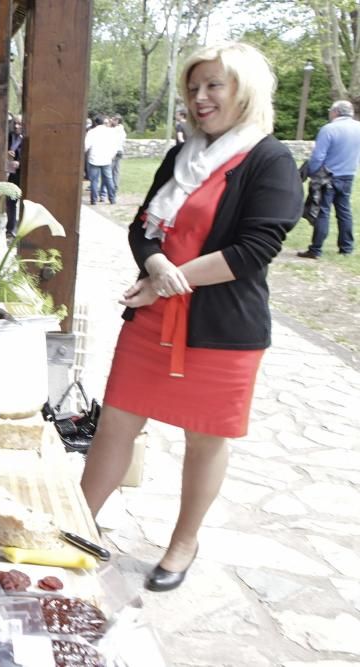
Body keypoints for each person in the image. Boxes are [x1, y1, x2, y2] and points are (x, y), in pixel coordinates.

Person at [79, 42, 301, 593]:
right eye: (194, 87)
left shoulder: (269, 159)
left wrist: (165, 283)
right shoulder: (182, 155)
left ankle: (183, 542)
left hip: (223, 330)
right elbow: (141, 228)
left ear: (244, 91)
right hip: (153, 321)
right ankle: (77, 523)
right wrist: (155, 264)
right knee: (115, 425)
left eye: (214, 86)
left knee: (205, 439)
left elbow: (255, 248)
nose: (200, 98)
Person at [298, 99, 360, 259]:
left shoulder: (329, 129)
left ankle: (316, 249)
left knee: (322, 211)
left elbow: (318, 156)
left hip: (328, 176)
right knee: (344, 211)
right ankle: (346, 247)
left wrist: (310, 172)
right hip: (348, 174)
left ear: (335, 112)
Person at [84, 115, 117, 204]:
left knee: (94, 181)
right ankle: (112, 198)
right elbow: (114, 146)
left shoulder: (92, 132)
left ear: (95, 122)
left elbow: (86, 146)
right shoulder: (110, 132)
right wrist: (111, 156)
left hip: (94, 159)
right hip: (106, 159)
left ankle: (94, 200)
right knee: (109, 179)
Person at [6, 115, 24, 235]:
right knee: (11, 201)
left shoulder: (27, 138)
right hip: (12, 174)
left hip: (24, 175)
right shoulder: (9, 136)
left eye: (19, 124)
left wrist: (20, 162)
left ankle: (21, 228)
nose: (17, 126)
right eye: (15, 123)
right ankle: (10, 228)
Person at [109, 114, 126, 198]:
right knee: (116, 171)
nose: (112, 121)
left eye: (114, 120)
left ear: (117, 121)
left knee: (110, 171)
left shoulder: (115, 130)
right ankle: (115, 187)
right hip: (120, 151)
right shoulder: (122, 130)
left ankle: (111, 188)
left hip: (115, 152)